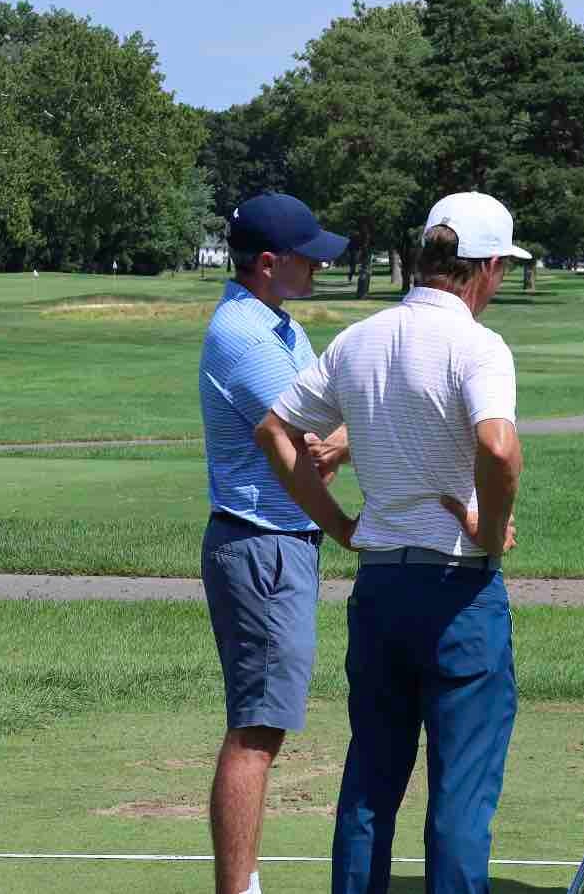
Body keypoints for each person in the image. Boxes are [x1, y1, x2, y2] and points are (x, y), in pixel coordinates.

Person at [256, 191, 527, 894]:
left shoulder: (360, 338)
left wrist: (339, 524)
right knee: (460, 798)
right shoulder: (479, 345)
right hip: (458, 592)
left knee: (371, 785)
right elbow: (498, 449)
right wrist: (493, 532)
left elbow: (274, 432)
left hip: (378, 588)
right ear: (487, 267)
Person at [198, 192, 350, 894]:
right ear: (268, 263)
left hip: (280, 544)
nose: (320, 265)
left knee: (265, 726)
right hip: (260, 546)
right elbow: (309, 442)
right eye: (306, 255)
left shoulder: (281, 327)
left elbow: (328, 428)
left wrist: (349, 433)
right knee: (256, 730)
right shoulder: (246, 337)